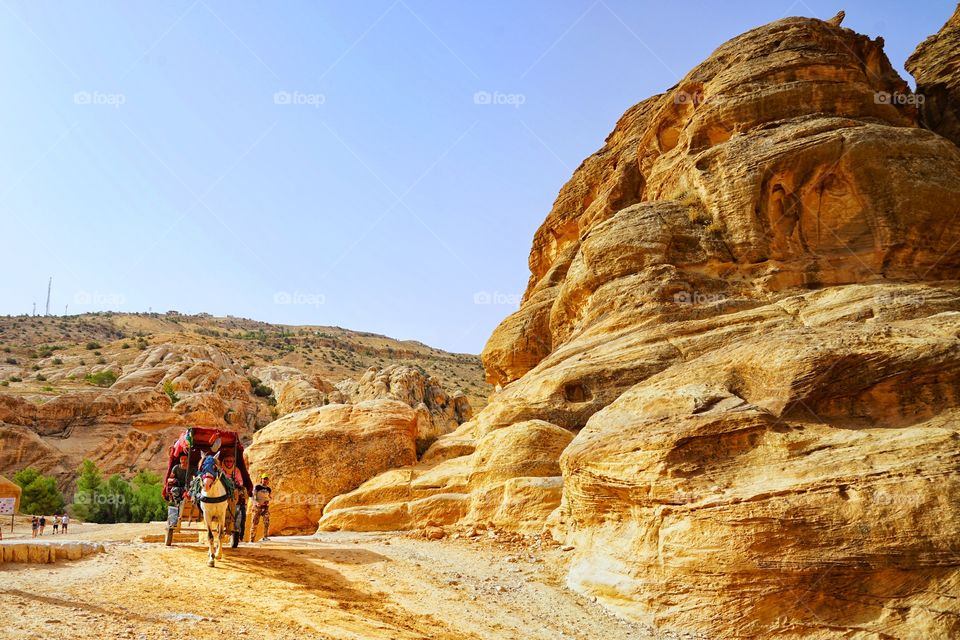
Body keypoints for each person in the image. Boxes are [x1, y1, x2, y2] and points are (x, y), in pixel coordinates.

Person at [250, 475, 271, 542]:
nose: (265, 480)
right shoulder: (257, 487)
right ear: (261, 479)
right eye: (264, 479)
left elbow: (269, 497)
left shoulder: (269, 489)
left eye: (266, 479)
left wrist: (268, 500)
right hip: (257, 508)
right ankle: (252, 539)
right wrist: (256, 503)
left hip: (265, 508)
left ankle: (265, 537)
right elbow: (253, 496)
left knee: (266, 522)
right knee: (254, 523)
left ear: (268, 480)